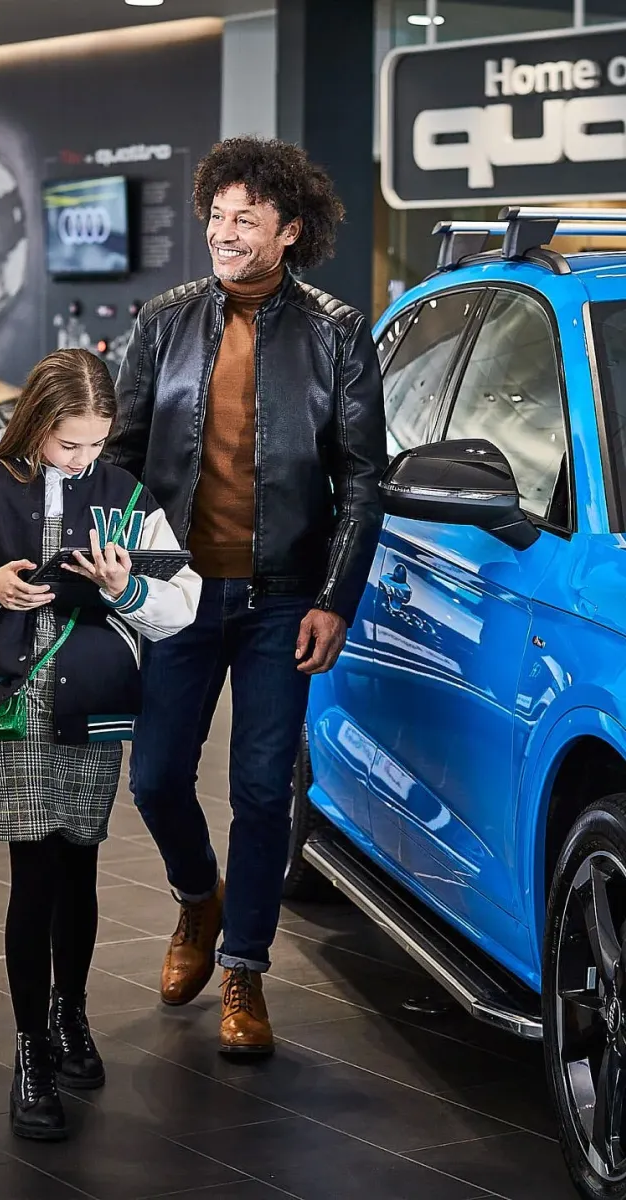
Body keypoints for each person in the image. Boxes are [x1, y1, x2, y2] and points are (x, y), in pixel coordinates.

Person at [107, 136, 386, 1058]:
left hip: (282, 599)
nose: (224, 235)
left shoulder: (338, 334)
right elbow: (121, 455)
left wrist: (334, 599)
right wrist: (126, 566)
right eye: (217, 218)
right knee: (153, 778)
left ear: (289, 230)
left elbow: (361, 476)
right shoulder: (163, 321)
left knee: (264, 792)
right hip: (177, 594)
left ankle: (245, 970)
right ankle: (198, 898)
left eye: (246, 220)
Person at [0, 348, 200, 1142]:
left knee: (81, 859)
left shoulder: (126, 496)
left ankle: (73, 1015)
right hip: (13, 701)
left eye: (96, 444)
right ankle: (32, 1050)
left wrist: (123, 587)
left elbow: (180, 604)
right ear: (36, 423)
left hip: (99, 701)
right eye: (69, 442)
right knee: (32, 867)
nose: (84, 458)